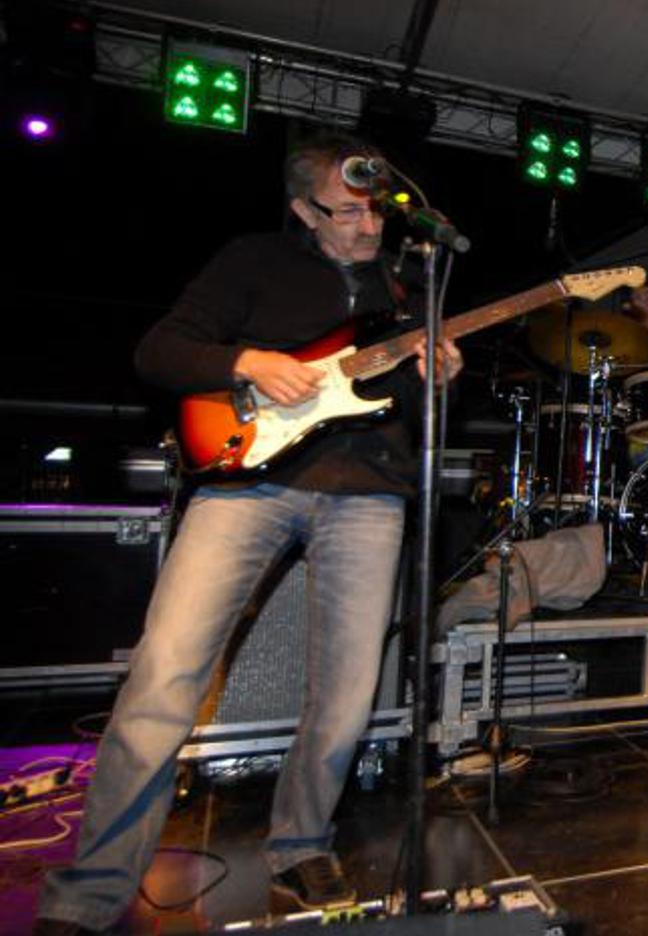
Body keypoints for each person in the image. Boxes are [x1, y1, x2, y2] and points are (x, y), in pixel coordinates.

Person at [34, 132, 463, 935]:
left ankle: (301, 844)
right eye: (346, 213)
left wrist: (433, 377)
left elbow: (400, 407)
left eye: (376, 212)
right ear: (304, 209)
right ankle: (88, 893)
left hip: (368, 494)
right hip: (244, 483)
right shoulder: (253, 261)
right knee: (164, 676)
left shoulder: (408, 286)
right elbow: (160, 350)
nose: (369, 227)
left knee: (347, 693)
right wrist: (248, 363)